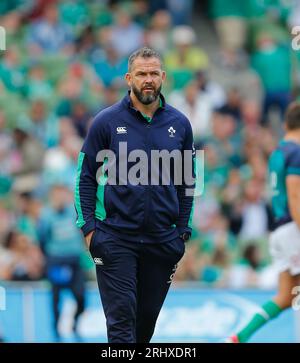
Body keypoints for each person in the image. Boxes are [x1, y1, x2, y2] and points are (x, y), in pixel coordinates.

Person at [74, 47, 195, 343]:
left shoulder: (181, 125)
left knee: (144, 328)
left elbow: (190, 183)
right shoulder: (105, 121)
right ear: (129, 78)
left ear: (163, 77)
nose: (148, 79)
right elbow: (84, 176)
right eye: (142, 74)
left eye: (154, 73)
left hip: (162, 241)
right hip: (115, 238)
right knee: (121, 323)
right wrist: (89, 228)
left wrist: (182, 232)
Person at [228, 102, 300, 343]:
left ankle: (240, 337)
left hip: (279, 230)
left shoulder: (279, 152)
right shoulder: (296, 152)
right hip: (293, 227)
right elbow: (295, 195)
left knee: (286, 296)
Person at [38, 183, 86, 340]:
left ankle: (75, 322)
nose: (60, 199)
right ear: (52, 197)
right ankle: (56, 329)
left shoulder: (73, 212)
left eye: (62, 195)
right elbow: (42, 238)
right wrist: (50, 256)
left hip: (74, 259)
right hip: (57, 260)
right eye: (57, 195)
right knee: (56, 297)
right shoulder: (46, 215)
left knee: (80, 296)